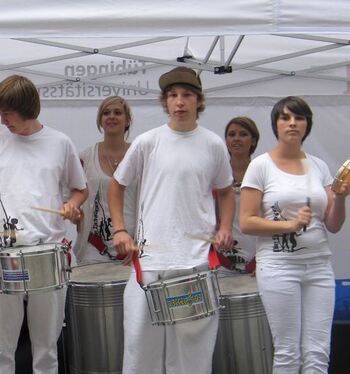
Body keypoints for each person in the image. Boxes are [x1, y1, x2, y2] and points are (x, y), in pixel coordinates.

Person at [108, 66, 234, 374]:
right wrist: (120, 229)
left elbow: (227, 191)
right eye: (173, 96)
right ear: (165, 102)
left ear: (198, 101)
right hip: (150, 262)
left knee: (192, 356)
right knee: (141, 353)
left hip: (195, 264)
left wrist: (226, 227)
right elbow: (117, 184)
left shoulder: (213, 144)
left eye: (187, 95)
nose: (180, 102)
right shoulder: (148, 142)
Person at [0, 74, 88, 374]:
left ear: (28, 108)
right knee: (1, 348)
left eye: (7, 113)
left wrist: (72, 204)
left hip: (47, 254)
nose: (2, 121)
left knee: (46, 349)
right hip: (2, 257)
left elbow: (80, 188)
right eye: (0, 114)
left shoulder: (60, 143)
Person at [240, 96, 348, 373]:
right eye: (285, 117)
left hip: (319, 266)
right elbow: (247, 222)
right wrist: (288, 225)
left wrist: (340, 198)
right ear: (275, 124)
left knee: (318, 352)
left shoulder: (318, 165)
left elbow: (333, 225)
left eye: (298, 118)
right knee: (288, 352)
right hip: (278, 267)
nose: (292, 123)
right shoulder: (260, 166)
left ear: (307, 125)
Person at [74, 96, 137, 264]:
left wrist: (139, 241)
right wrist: (74, 213)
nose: (111, 117)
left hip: (133, 247)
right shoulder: (84, 158)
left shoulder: (140, 156)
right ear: (100, 121)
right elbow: (73, 198)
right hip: (94, 248)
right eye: (106, 113)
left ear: (128, 120)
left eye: (118, 112)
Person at [217, 116, 260, 275]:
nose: (236, 139)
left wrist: (266, 258)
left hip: (259, 257)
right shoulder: (216, 175)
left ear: (254, 140)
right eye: (231, 134)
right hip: (222, 258)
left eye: (243, 134)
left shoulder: (263, 173)